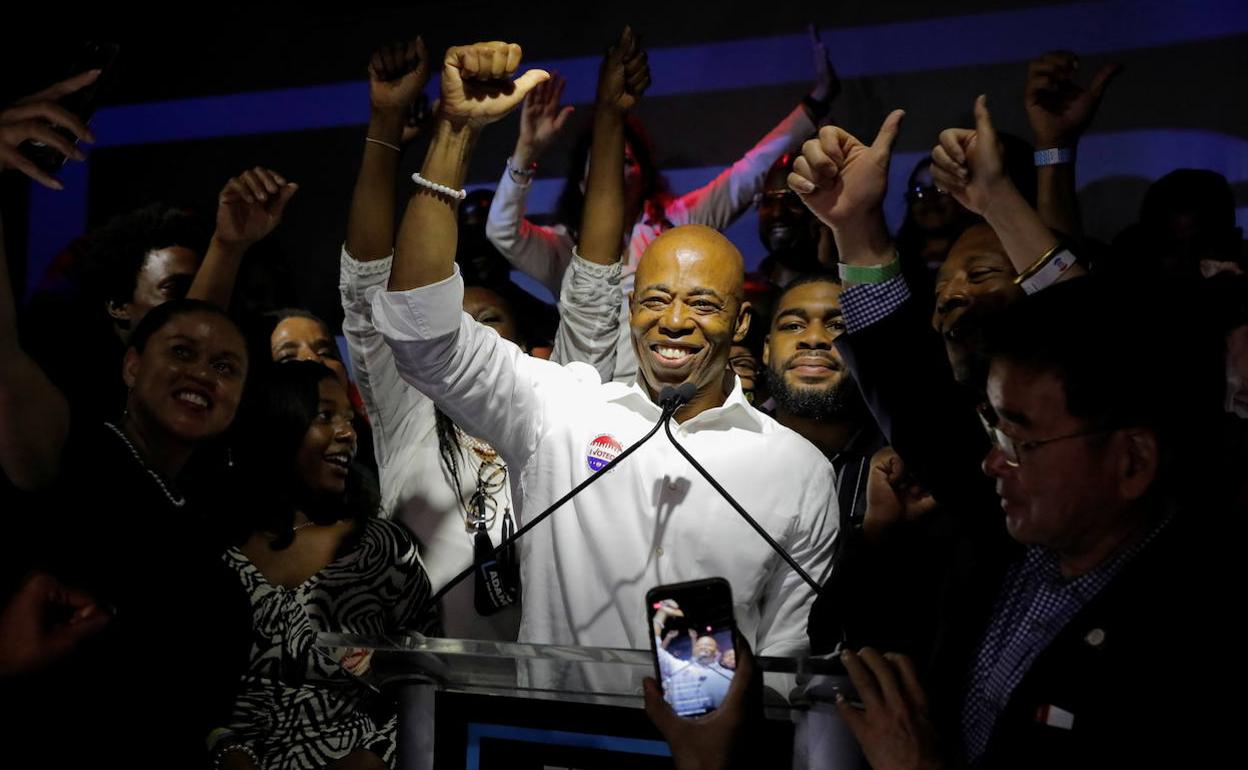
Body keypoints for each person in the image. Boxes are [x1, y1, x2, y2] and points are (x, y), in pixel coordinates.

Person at [371, 36, 835, 666]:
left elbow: (787, 656)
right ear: (630, 307)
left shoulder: (799, 469)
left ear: (741, 320)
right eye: (654, 300)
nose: (673, 321)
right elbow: (421, 332)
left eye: (701, 304)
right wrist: (453, 134)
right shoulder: (559, 411)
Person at [338, 36, 627, 640]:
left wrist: (611, 118)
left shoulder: (557, 406)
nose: (457, 335)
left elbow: (594, 285)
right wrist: (389, 117)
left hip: (548, 693)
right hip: (425, 693)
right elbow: (369, 284)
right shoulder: (408, 408)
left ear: (520, 348)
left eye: (486, 324)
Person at [486, 33, 838, 382]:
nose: (612, 172)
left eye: (625, 160)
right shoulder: (564, 248)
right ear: (582, 184)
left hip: (661, 396)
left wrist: (815, 105)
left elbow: (748, 172)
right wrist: (525, 152)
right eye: (599, 165)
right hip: (583, 397)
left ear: (644, 173)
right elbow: (502, 231)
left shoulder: (677, 226)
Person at [213, 361, 439, 770]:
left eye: (350, 420)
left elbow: (428, 679)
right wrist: (226, 751)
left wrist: (375, 756)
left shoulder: (380, 548)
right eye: (325, 416)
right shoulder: (211, 549)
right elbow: (180, 685)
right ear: (275, 424)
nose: (348, 433)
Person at [651, 599, 734, 716]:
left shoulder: (730, 676)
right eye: (700, 645)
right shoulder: (678, 666)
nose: (703, 646)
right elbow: (656, 647)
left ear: (717, 654)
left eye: (708, 645)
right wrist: (662, 613)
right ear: (694, 651)